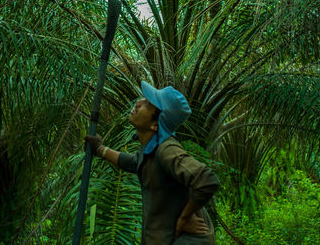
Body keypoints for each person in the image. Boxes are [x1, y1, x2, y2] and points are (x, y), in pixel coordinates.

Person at [85, 81, 220, 244]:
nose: (139, 103)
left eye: (148, 104)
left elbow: (207, 180)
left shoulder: (167, 149)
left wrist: (185, 217)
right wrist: (100, 149)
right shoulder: (152, 149)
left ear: (155, 124)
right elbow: (135, 162)